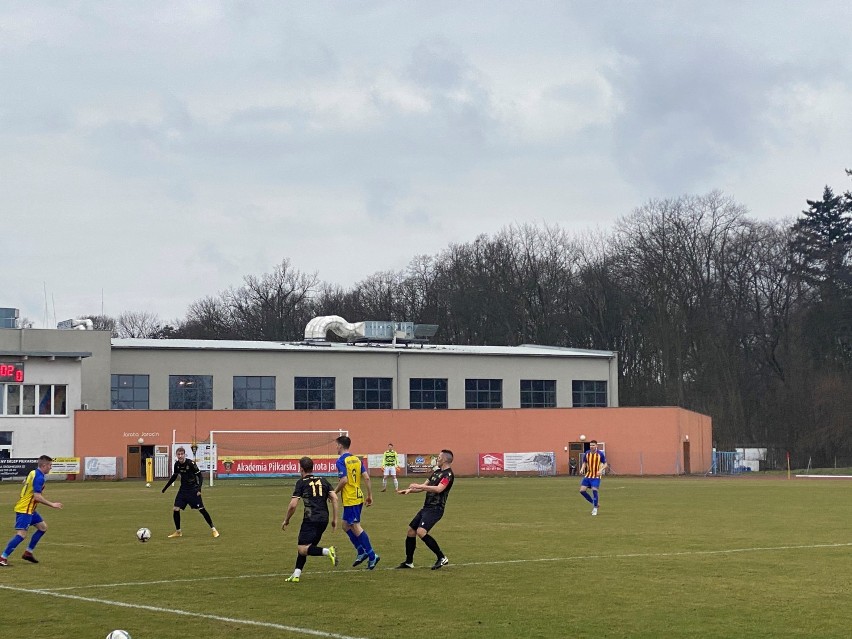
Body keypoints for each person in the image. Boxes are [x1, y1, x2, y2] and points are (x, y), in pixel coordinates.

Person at [281, 456, 339, 583]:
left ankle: (328, 551)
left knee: (302, 548)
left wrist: (286, 519)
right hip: (323, 519)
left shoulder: (301, 482)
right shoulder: (323, 480)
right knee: (307, 547)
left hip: (310, 519)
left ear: (301, 469)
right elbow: (334, 498)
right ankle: (296, 574)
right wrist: (335, 519)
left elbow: (293, 505)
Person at [395, 449, 454, 570]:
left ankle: (442, 557)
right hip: (426, 507)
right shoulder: (436, 472)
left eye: (439, 457)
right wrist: (410, 490)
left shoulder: (448, 475)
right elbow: (423, 487)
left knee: (421, 532)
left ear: (444, 459)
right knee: (411, 531)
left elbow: (439, 489)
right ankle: (409, 562)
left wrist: (419, 486)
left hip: (436, 509)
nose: (437, 459)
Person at [1, 455, 63, 566]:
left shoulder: (33, 472)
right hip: (25, 509)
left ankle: (28, 553)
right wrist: (52, 504)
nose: (51, 467)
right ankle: (3, 558)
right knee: (21, 535)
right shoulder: (39, 477)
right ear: (44, 465)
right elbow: (37, 497)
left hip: (30, 509)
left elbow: (25, 481)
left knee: (43, 528)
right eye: (50, 465)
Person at [334, 435, 379, 569]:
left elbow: (344, 480)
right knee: (345, 525)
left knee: (355, 526)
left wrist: (333, 493)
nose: (336, 447)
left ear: (340, 446)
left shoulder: (341, 461)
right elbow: (366, 477)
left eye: (337, 445)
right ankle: (361, 551)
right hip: (358, 496)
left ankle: (372, 555)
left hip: (351, 498)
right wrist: (369, 495)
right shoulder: (357, 460)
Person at [162, 447, 219, 538]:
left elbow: (200, 476)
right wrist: (165, 488)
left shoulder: (191, 463)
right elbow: (174, 476)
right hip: (183, 490)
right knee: (176, 509)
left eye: (182, 454)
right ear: (176, 455)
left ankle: (214, 529)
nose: (180, 456)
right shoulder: (176, 464)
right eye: (178, 454)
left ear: (184, 455)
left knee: (201, 509)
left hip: (193, 490)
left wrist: (199, 489)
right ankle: (178, 532)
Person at [579, 440, 607, 516]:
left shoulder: (600, 454)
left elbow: (605, 464)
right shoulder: (587, 453)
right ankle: (595, 503)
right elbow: (585, 462)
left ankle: (595, 508)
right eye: (591, 445)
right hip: (588, 475)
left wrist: (600, 470)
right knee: (582, 491)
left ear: (596, 446)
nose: (592, 446)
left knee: (594, 489)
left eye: (593, 445)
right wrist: (582, 468)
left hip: (596, 476)